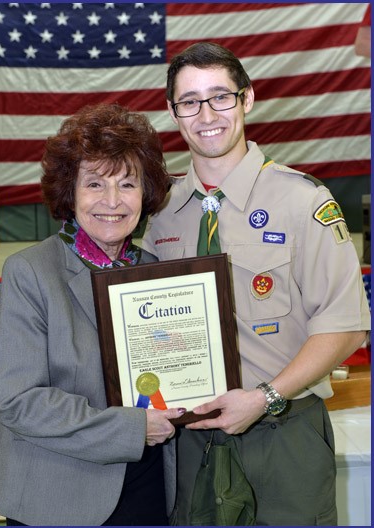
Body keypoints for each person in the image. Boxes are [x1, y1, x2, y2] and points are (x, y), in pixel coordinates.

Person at [141, 42, 371, 526]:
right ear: (173, 113)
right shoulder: (159, 215)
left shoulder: (302, 202)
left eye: (220, 96)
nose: (207, 114)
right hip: (188, 443)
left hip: (282, 433)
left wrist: (265, 397)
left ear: (247, 99)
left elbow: (346, 327)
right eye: (190, 102)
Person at [0, 103, 186, 526]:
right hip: (56, 493)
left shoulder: (158, 272)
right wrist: (132, 430)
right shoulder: (30, 272)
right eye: (95, 184)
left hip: (148, 485)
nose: (112, 201)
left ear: (144, 194)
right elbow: (19, 402)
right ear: (69, 192)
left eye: (127, 184)